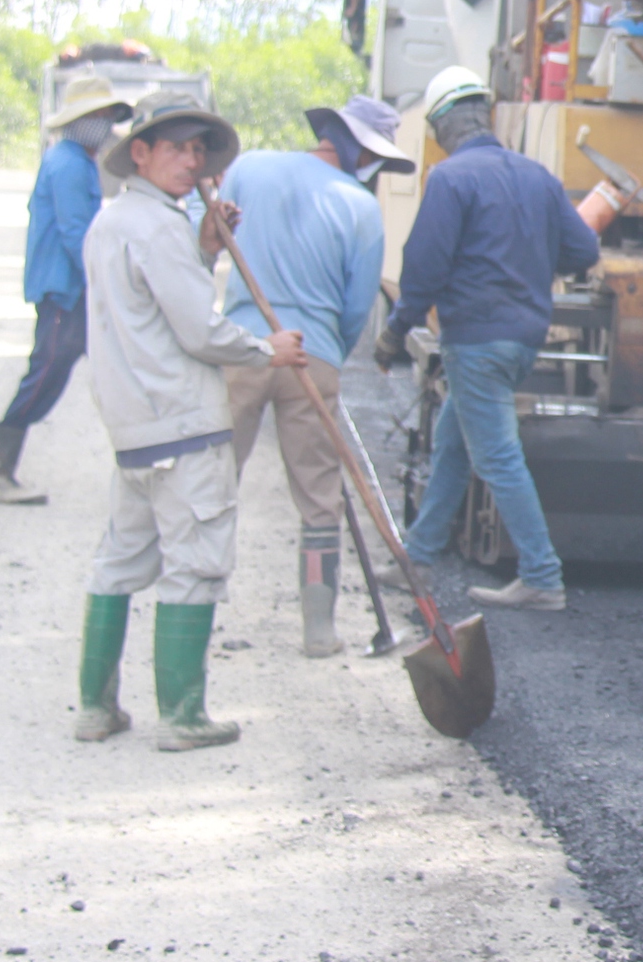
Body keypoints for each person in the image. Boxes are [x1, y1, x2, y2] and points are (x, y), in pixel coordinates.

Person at [72, 93, 306, 750]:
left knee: (119, 562)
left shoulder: (112, 223)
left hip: (135, 430)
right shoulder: (158, 226)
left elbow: (153, 306)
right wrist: (268, 349)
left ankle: (96, 708)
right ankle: (181, 716)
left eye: (198, 148)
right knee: (196, 564)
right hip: (183, 425)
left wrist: (203, 249)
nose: (191, 158)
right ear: (139, 153)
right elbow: (198, 331)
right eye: (175, 146)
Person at [373, 66, 600, 610]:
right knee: (454, 444)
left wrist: (395, 330)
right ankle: (418, 559)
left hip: (475, 338)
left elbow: (423, 267)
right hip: (522, 339)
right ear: (487, 113)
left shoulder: (450, 179)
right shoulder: (539, 178)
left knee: (497, 455)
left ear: (441, 126)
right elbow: (584, 252)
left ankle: (543, 577)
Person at [219, 95, 412, 657]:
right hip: (314, 358)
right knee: (320, 495)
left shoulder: (248, 167)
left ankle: (197, 604)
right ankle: (319, 632)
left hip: (242, 348)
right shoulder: (360, 207)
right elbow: (357, 306)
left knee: (213, 483)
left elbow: (209, 241)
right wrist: (328, 351)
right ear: (357, 147)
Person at [0, 76, 132, 505]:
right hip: (65, 289)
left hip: (69, 287)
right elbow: (76, 234)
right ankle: (0, 472)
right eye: (99, 117)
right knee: (47, 372)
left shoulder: (75, 159)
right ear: (80, 121)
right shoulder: (69, 163)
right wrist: (102, 281)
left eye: (108, 117)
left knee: (102, 370)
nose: (105, 126)